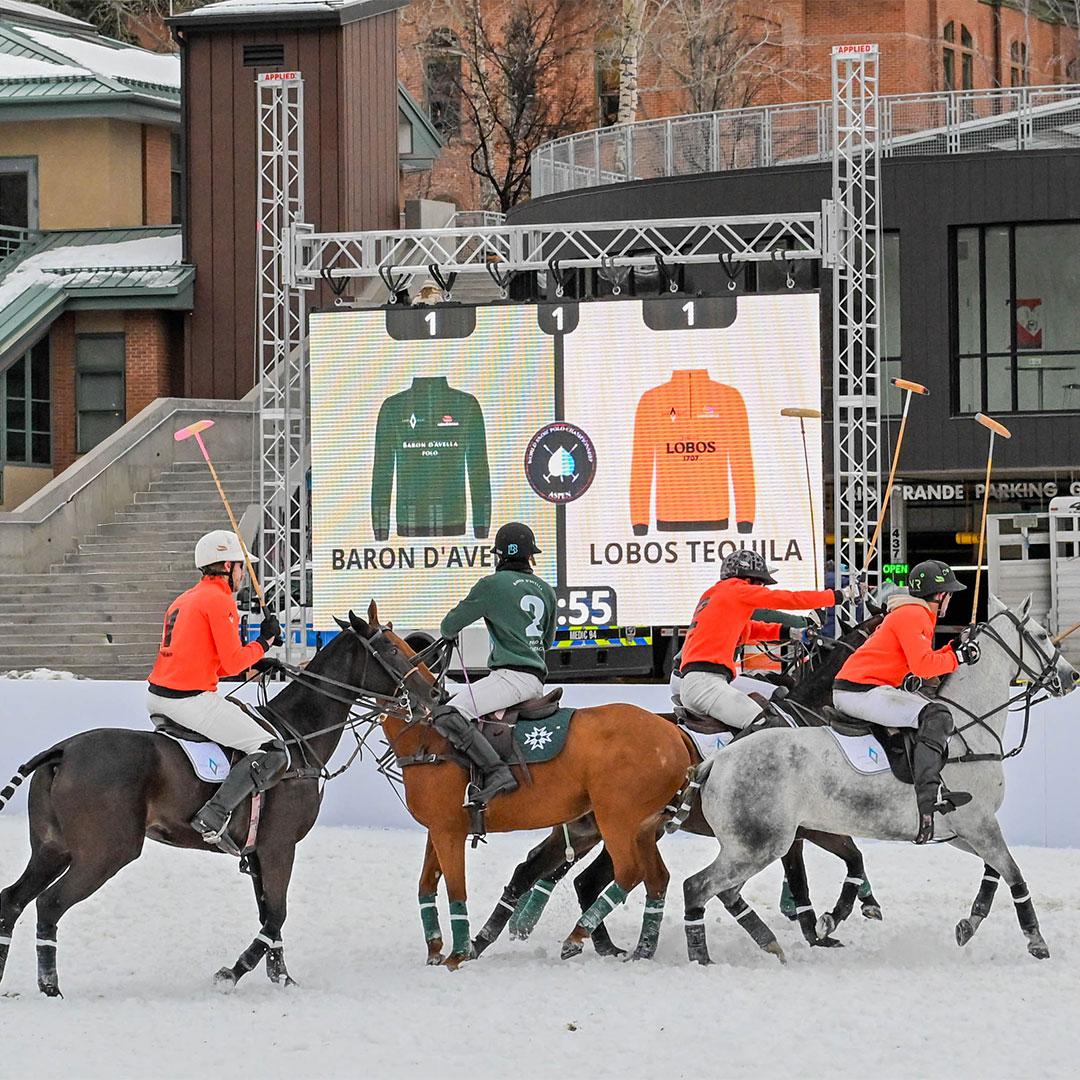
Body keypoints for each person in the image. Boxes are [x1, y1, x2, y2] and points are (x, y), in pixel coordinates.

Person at [147, 530, 286, 844]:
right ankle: (215, 813)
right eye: (240, 567)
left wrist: (256, 659)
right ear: (226, 566)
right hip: (188, 701)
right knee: (271, 751)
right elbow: (235, 664)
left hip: (158, 696)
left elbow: (221, 665)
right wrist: (264, 642)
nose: (242, 574)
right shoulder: (219, 600)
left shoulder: (186, 598)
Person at [832, 559, 979, 844]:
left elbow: (913, 662)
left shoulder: (912, 612)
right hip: (860, 692)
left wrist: (952, 648)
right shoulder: (915, 614)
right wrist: (958, 658)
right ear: (940, 595)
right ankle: (928, 802)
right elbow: (924, 666)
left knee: (926, 709)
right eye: (950, 594)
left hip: (865, 687)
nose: (950, 600)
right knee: (937, 715)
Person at [433, 522, 556, 808]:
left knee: (449, 713)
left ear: (499, 556)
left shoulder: (491, 585)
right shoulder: (546, 591)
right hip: (536, 680)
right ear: (530, 556)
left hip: (511, 678)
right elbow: (546, 642)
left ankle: (497, 773)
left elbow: (449, 626)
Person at [679, 549, 858, 731]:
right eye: (761, 584)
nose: (762, 589)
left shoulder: (715, 595)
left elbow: (751, 629)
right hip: (706, 684)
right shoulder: (737, 590)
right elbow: (788, 599)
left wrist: (792, 632)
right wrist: (838, 596)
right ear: (749, 579)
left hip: (697, 682)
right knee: (768, 728)